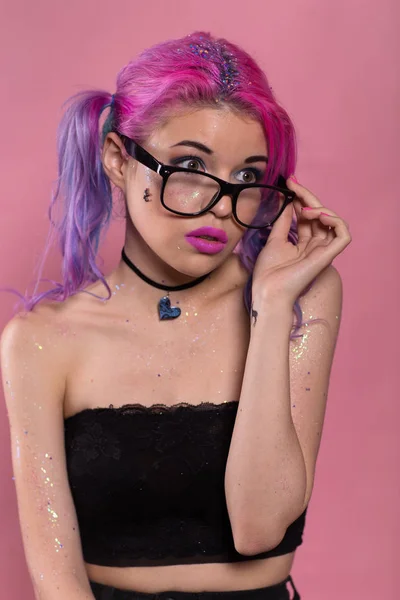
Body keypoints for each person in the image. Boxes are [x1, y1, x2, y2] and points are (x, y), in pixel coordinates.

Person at [0, 30, 351, 600]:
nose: (220, 204)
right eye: (190, 166)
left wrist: (271, 307)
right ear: (119, 159)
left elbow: (261, 528)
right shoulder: (42, 341)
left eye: (245, 178)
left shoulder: (301, 296)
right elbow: (57, 581)